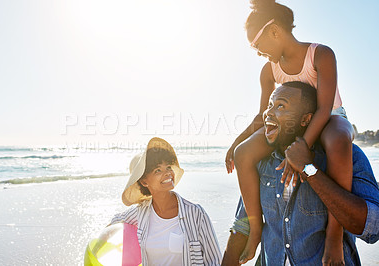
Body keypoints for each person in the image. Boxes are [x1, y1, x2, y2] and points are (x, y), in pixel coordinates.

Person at [225, 0, 355, 263]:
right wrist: (236, 142)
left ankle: (334, 235)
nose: (258, 53)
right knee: (244, 153)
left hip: (328, 117)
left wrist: (301, 150)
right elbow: (263, 116)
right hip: (288, 125)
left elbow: (324, 107)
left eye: (257, 45)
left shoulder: (321, 54)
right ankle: (255, 229)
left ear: (274, 31)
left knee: (339, 141)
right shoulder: (268, 70)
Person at [222, 82, 379, 265]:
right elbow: (243, 225)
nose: (268, 113)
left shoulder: (347, 157)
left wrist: (308, 169)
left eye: (281, 106)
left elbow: (372, 228)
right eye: (269, 105)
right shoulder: (261, 163)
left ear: (305, 120)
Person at [107, 137, 221, 266]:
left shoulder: (195, 213)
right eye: (158, 170)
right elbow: (114, 224)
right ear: (144, 182)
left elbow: (214, 260)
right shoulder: (140, 213)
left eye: (168, 167)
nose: (167, 173)